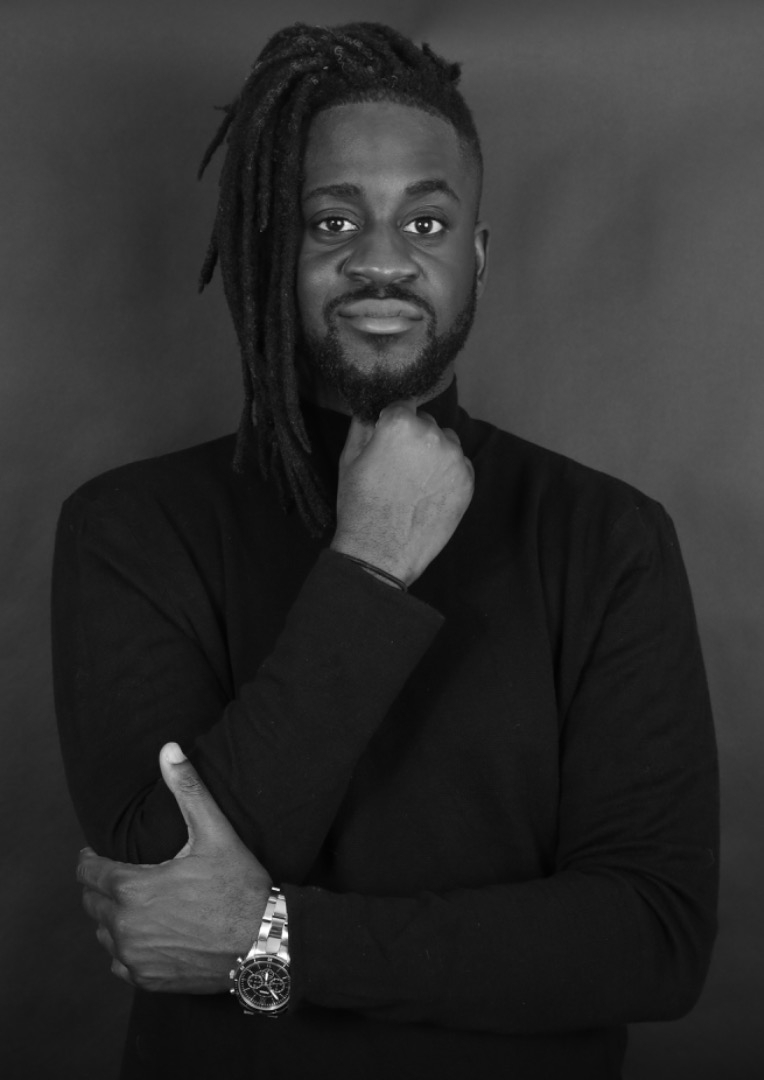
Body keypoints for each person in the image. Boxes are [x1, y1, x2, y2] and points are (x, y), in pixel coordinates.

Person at [53, 21, 719, 1080]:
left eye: (424, 220)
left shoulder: (606, 536)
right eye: (331, 220)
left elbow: (651, 942)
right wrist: (369, 564)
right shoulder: (132, 526)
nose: (379, 258)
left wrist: (274, 945)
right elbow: (159, 883)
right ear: (276, 250)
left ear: (475, 258)